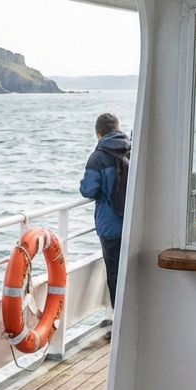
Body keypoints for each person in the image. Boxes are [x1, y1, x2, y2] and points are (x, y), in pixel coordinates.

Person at [79, 112, 131, 309]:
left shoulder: (98, 157)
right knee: (133, 273)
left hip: (111, 227)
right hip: (132, 221)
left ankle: (119, 327)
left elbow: (88, 190)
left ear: (98, 134)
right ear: (118, 128)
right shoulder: (131, 149)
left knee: (115, 275)